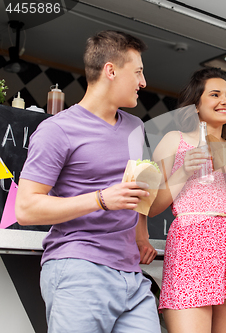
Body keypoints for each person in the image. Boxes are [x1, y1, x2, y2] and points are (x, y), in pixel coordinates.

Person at [15, 31, 160, 333]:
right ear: (110, 70)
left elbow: (140, 195)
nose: (143, 83)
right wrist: (100, 199)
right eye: (138, 72)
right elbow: (26, 208)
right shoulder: (57, 130)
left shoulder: (135, 127)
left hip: (132, 277)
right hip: (79, 268)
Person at [149, 67, 226, 333]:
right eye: (215, 94)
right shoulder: (174, 140)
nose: (225, 101)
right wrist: (185, 169)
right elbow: (151, 207)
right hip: (191, 249)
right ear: (196, 106)